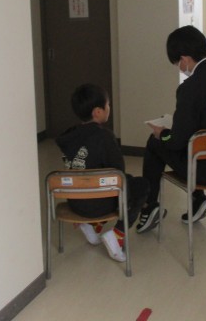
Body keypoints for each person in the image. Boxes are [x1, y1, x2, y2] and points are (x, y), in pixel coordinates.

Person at [136, 25, 206, 233]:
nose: (180, 68)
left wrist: (162, 133)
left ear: (185, 59)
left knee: (155, 143)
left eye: (177, 63)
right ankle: (198, 200)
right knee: (197, 140)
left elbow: (176, 142)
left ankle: (149, 207)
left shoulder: (189, 89)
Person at [56, 83, 149, 262]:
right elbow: (118, 174)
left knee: (126, 180)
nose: (109, 108)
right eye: (108, 105)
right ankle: (117, 235)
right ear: (98, 112)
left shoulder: (69, 137)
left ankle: (92, 225)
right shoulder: (104, 137)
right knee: (140, 185)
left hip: (75, 201)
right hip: (98, 204)